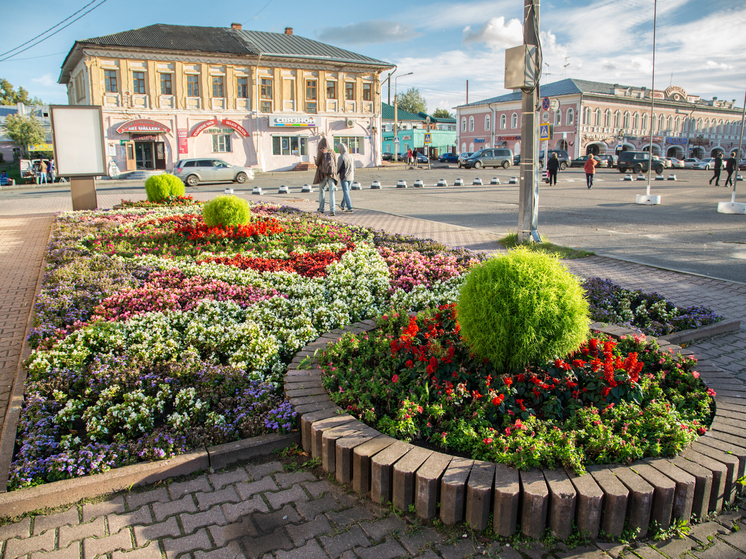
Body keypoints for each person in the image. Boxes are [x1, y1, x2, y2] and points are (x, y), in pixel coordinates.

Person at [313, 137, 338, 216]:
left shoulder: (321, 151)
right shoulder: (332, 151)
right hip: (332, 174)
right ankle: (332, 210)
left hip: (323, 174)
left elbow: (317, 163)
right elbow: (336, 163)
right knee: (332, 192)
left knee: (322, 191)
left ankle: (321, 208)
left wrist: (315, 160)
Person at [336, 143, 354, 213]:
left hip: (344, 177)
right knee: (347, 192)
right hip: (351, 176)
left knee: (346, 192)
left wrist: (335, 174)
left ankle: (349, 207)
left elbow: (338, 168)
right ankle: (342, 205)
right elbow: (354, 167)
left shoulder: (341, 157)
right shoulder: (351, 156)